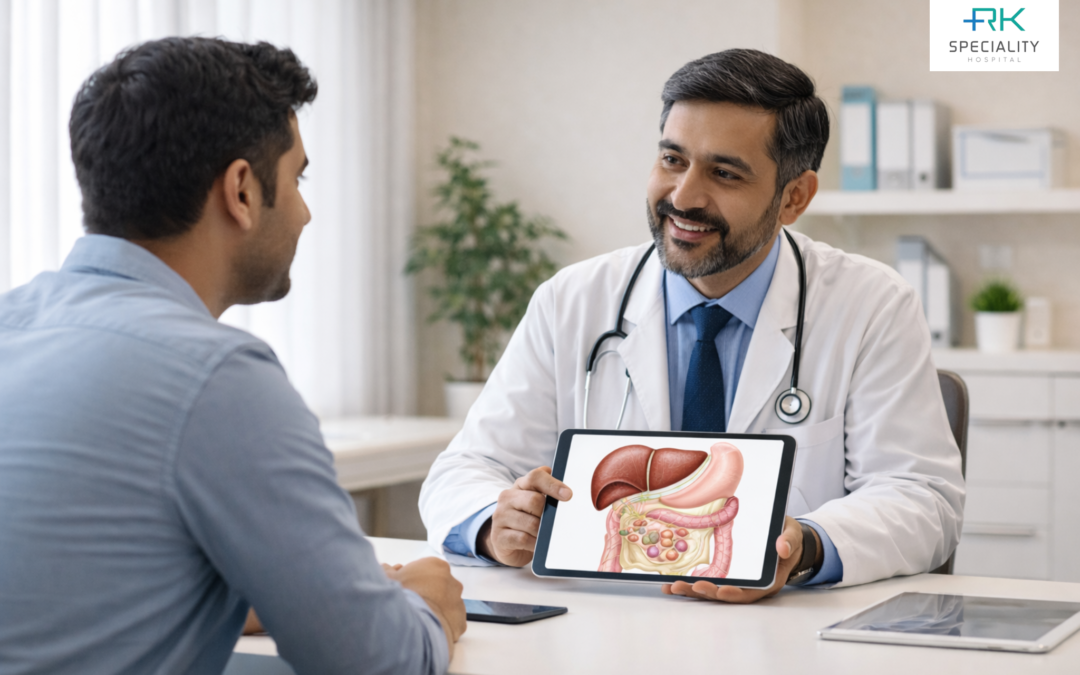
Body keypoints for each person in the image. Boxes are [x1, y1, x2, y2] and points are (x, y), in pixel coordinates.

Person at [419, 48, 965, 602]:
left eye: (724, 173)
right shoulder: (573, 299)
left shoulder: (870, 304)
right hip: (602, 629)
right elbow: (466, 468)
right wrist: (494, 523)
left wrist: (809, 547)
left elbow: (922, 497)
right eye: (673, 161)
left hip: (783, 635)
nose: (683, 197)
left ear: (794, 197)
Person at [0, 37, 464, 674]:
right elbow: (380, 662)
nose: (304, 212)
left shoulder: (12, 323)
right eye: (297, 179)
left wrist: (233, 595)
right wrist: (425, 602)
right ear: (241, 191)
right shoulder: (216, 376)